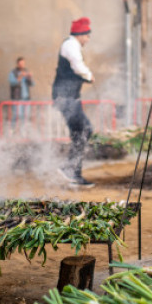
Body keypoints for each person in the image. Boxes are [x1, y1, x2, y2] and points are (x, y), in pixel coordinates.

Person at [53, 17, 96, 187]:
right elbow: (78, 67)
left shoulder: (72, 45)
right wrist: (89, 75)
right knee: (85, 130)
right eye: (87, 36)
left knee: (81, 132)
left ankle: (73, 172)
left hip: (70, 98)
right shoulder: (71, 45)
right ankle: (70, 169)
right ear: (81, 34)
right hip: (66, 98)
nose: (88, 39)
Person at [8, 56, 34, 129]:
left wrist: (29, 77)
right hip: (17, 98)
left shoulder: (26, 71)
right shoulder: (13, 73)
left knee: (26, 115)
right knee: (17, 115)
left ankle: (23, 131)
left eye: (23, 63)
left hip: (26, 98)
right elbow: (12, 82)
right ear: (17, 64)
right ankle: (13, 130)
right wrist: (19, 77)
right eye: (20, 63)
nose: (22, 65)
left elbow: (32, 84)